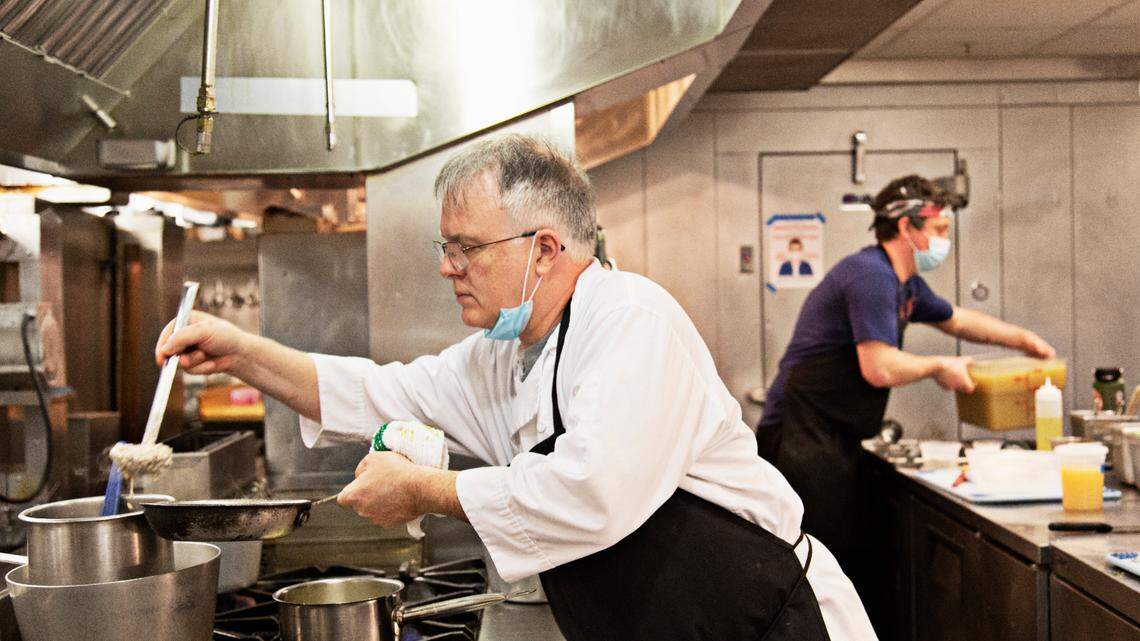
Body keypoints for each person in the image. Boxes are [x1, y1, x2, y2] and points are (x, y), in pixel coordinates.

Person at [157, 135, 876, 640]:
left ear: (544, 248)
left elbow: (592, 490)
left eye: (465, 247)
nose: (449, 267)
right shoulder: (505, 352)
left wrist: (424, 490)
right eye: (446, 248)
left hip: (772, 622)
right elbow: (379, 392)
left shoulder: (630, 318)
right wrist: (242, 352)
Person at [754, 174, 1055, 622]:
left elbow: (957, 320)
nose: (944, 241)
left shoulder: (905, 285)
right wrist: (939, 367)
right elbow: (879, 368)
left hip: (831, 438)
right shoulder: (870, 276)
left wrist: (1024, 340)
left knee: (842, 561)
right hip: (798, 436)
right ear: (905, 228)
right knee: (816, 568)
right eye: (937, 231)